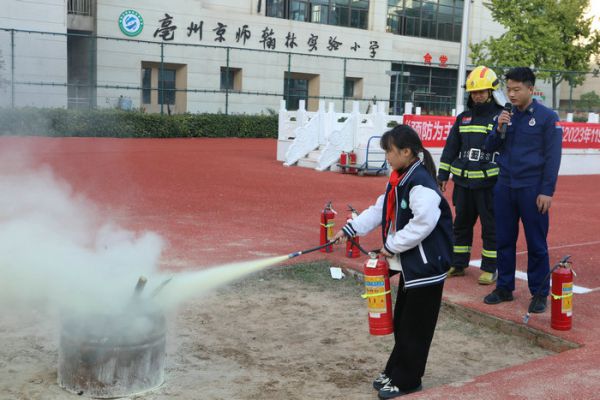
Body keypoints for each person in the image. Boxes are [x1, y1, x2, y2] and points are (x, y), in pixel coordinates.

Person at [332, 125, 452, 399]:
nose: (386, 156)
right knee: (403, 321)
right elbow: (379, 209)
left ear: (407, 152)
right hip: (411, 266)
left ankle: (408, 379)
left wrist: (390, 246)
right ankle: (395, 370)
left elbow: (424, 223)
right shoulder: (398, 177)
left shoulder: (421, 183)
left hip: (426, 266)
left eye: (390, 150)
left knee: (416, 327)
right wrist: (350, 230)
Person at [483, 67, 562, 313]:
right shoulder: (505, 116)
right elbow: (489, 147)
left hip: (533, 189)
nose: (512, 94)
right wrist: (498, 129)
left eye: (517, 89)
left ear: (530, 89)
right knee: (504, 239)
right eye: (509, 89)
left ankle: (539, 292)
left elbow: (553, 157)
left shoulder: (547, 118)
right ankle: (504, 287)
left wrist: (547, 191)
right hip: (505, 186)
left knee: (536, 243)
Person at [438, 66, 503, 285]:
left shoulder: (500, 117)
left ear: (492, 92)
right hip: (463, 184)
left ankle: (490, 268)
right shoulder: (463, 118)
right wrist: (442, 174)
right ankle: (458, 263)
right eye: (474, 92)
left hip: (488, 184)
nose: (477, 95)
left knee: (490, 226)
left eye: (482, 91)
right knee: (461, 225)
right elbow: (450, 148)